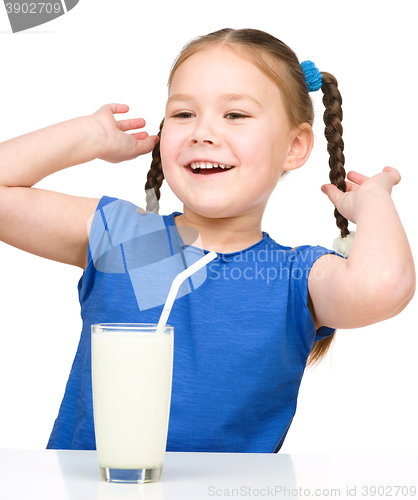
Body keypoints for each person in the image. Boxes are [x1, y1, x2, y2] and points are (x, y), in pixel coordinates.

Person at [0, 28, 414, 453]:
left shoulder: (294, 277)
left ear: (294, 146)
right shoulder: (128, 242)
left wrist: (374, 202)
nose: (203, 132)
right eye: (183, 114)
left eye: (235, 115)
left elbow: (384, 285)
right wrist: (86, 136)